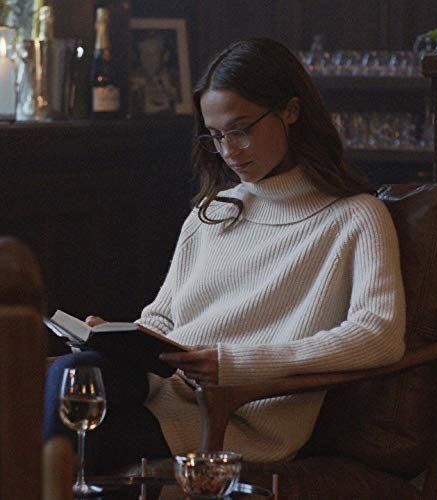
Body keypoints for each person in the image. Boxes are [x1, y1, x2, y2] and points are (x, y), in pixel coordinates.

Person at [44, 37, 406, 472]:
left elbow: (379, 334)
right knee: (71, 371)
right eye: (216, 136)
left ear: (290, 111)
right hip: (165, 387)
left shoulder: (356, 217)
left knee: (63, 433)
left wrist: (234, 364)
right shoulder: (212, 212)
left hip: (234, 415)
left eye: (241, 130)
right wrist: (121, 337)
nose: (229, 150)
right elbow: (163, 317)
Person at [130, 30, 179, 115]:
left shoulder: (177, 81)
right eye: (144, 54)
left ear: (165, 56)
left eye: (153, 54)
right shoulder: (133, 80)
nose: (148, 60)